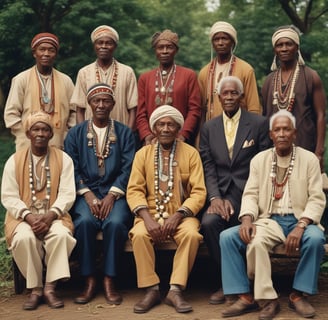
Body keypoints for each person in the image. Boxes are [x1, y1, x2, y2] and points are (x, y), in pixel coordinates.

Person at [219, 110, 326, 319]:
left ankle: (298, 295)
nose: (282, 133)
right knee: (228, 237)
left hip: (300, 220)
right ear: (271, 135)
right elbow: (250, 193)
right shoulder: (260, 160)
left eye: (287, 129)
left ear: (294, 133)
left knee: (315, 239)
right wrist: (247, 219)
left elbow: (316, 198)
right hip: (268, 221)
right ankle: (252, 297)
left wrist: (302, 225)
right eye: (277, 129)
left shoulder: (309, 159)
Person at [127, 105, 206, 313]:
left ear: (179, 129)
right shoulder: (142, 154)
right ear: (154, 129)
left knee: (191, 235)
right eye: (161, 124)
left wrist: (178, 215)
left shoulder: (191, 154)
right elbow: (134, 190)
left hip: (181, 215)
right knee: (139, 234)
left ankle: (175, 290)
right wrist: (147, 218)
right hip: (149, 214)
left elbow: (198, 192)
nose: (165, 128)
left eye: (171, 124)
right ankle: (151, 289)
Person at [199, 76, 271, 305]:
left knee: (242, 223)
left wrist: (241, 197)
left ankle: (248, 282)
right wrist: (215, 197)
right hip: (219, 192)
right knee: (210, 222)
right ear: (218, 98)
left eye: (233, 93)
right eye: (225, 94)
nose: (229, 97)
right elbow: (208, 165)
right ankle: (230, 282)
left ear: (241, 97)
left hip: (250, 192)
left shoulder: (259, 124)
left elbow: (264, 163)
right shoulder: (209, 127)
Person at [64, 83, 135, 305]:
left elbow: (129, 167)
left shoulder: (124, 132)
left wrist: (112, 195)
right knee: (84, 221)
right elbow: (71, 167)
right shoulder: (75, 134)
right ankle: (89, 279)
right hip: (87, 192)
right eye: (96, 101)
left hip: (117, 194)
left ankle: (109, 279)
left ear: (113, 104)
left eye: (106, 101)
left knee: (115, 223)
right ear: (90, 104)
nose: (101, 105)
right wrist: (87, 194)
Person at [1, 111, 76, 310]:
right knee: (23, 238)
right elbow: (8, 196)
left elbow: (68, 193)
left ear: (51, 134)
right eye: (36, 129)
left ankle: (50, 288)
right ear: (28, 134)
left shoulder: (64, 159)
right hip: (23, 217)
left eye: (45, 129)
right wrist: (28, 216)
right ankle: (35, 289)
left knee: (61, 235)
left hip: (55, 215)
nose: (41, 133)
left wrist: (50, 215)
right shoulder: (14, 161)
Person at [262, 25, 326, 171]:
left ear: (297, 47)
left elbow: (321, 116)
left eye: (288, 44)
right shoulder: (269, 81)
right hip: (275, 151)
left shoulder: (311, 76)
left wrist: (319, 152)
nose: (284, 48)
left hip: (306, 146)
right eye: (279, 45)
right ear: (274, 50)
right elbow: (265, 118)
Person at [4, 32, 75, 150]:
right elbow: (11, 114)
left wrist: (68, 133)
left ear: (56, 54)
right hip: (28, 144)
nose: (46, 54)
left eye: (51, 50)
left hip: (59, 143)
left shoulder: (66, 80)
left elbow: (74, 111)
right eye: (42, 49)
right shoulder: (21, 79)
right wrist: (26, 134)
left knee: (58, 168)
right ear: (34, 53)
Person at [136, 29, 201, 146]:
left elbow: (194, 109)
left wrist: (183, 134)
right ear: (155, 50)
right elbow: (140, 112)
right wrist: (147, 135)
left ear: (176, 50)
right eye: (160, 47)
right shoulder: (145, 78)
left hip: (180, 139)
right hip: (152, 140)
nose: (165, 51)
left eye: (169, 47)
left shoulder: (188, 75)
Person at [71, 25, 138, 130]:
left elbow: (133, 109)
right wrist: (83, 134)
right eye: (100, 43)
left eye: (108, 43)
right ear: (94, 46)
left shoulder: (127, 72)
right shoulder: (84, 73)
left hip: (120, 134)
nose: (104, 46)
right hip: (91, 135)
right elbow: (80, 109)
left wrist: (127, 135)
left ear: (115, 46)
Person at [198, 21, 261, 124]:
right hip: (212, 131)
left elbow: (254, 108)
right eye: (216, 39)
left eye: (224, 39)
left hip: (240, 129)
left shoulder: (246, 69)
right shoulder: (204, 73)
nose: (220, 43)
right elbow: (201, 109)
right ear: (212, 43)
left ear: (232, 42)